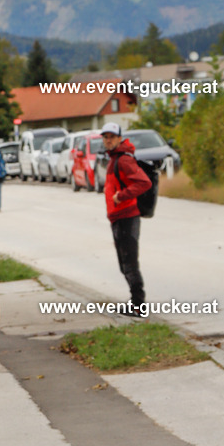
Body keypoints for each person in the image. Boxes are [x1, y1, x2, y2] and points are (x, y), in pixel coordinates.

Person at [99, 122, 152, 317]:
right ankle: (135, 302)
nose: (108, 139)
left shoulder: (123, 160)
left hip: (127, 217)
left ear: (120, 138)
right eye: (105, 136)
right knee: (124, 263)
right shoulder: (114, 158)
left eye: (112, 136)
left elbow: (144, 182)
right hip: (118, 217)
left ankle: (139, 305)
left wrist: (121, 196)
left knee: (129, 263)